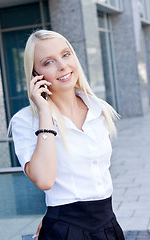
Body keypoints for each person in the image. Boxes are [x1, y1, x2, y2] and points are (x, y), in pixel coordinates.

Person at [10, 29, 125, 240]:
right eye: (48, 62)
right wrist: (44, 112)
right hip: (65, 231)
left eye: (65, 54)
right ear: (36, 75)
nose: (63, 65)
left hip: (108, 225)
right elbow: (44, 180)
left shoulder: (98, 109)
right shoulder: (25, 121)